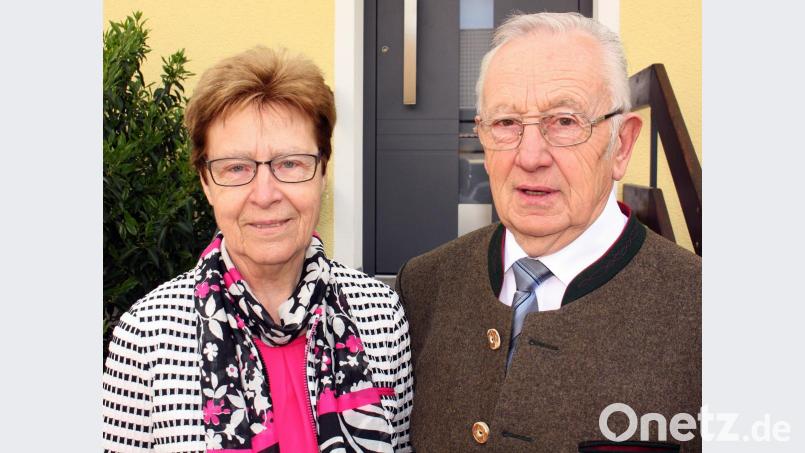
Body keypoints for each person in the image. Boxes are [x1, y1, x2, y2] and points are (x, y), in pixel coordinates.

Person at [396, 12, 701, 452]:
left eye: (564, 121)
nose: (530, 155)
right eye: (505, 123)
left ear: (622, 145)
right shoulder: (423, 287)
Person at [103, 47, 413, 453]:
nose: (265, 195)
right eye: (235, 167)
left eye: (290, 163)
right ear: (206, 183)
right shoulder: (147, 334)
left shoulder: (381, 313)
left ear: (322, 171)